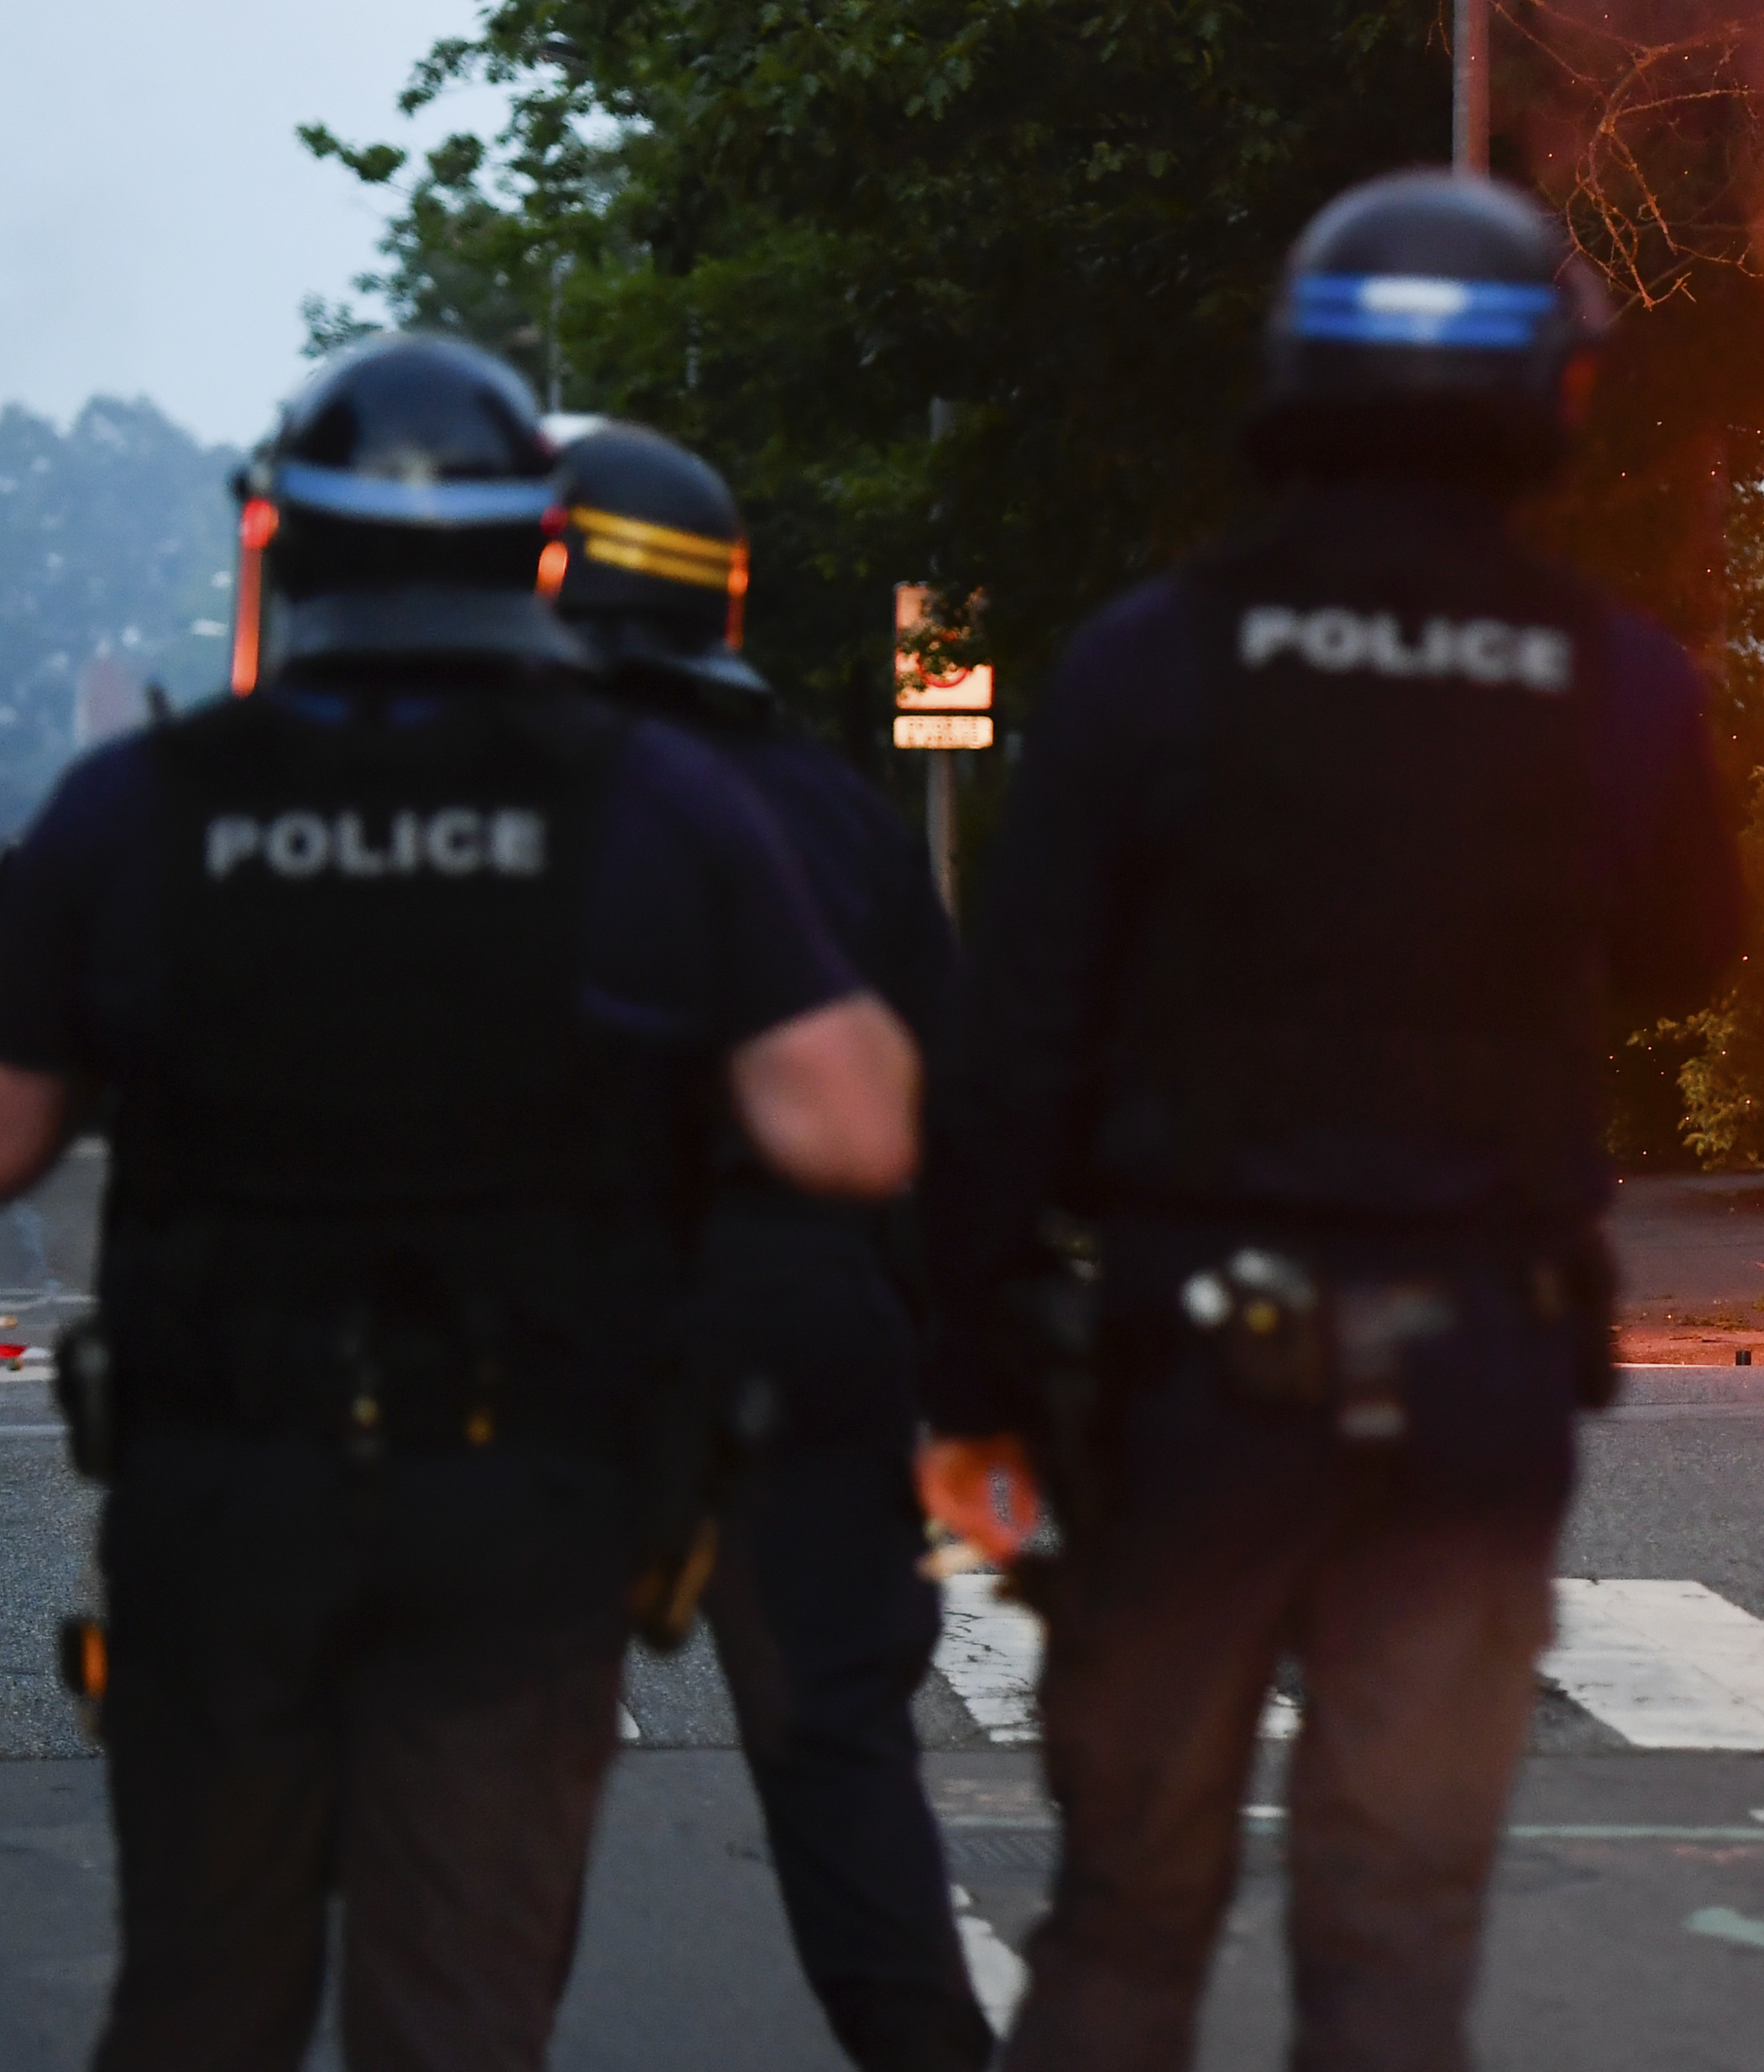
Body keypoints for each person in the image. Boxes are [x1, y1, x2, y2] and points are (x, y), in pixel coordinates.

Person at [0, 335, 920, 2072]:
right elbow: (855, 1127)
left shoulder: (143, 806)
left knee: (198, 2000)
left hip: (222, 1497)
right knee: (462, 2014)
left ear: (282, 547)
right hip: (526, 1500)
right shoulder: (657, 801)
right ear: (541, 553)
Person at [919, 170, 1743, 2072]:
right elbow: (1694, 955)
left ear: (1291, 374)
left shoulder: (1151, 659)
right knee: (1390, 1937)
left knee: (1126, 1910)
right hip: (1471, 1380)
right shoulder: (1616, 680)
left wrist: (967, 1378)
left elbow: (1011, 1049)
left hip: (1186, 1379)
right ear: (1552, 392)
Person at [546, 421, 992, 2072]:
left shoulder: (499, 798)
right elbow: (950, 1135)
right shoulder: (834, 814)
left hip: (556, 1352)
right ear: (721, 605)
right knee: (840, 1771)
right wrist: (966, 1394)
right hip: (804, 1330)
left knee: (501, 1795)